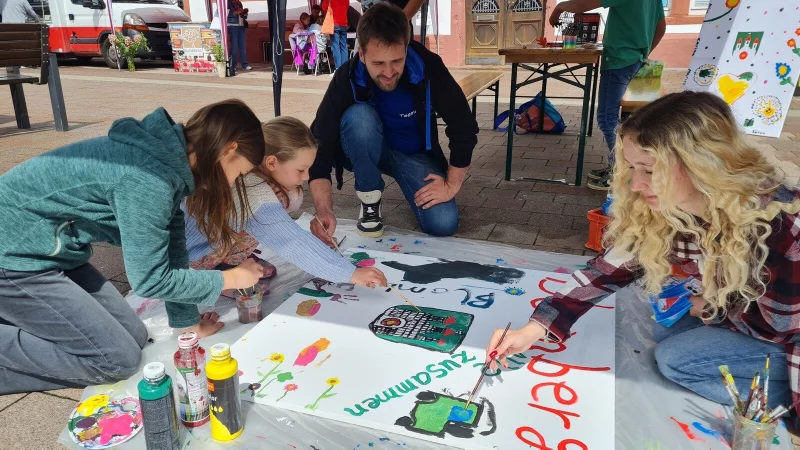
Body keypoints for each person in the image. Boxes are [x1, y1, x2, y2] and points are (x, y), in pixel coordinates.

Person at [486, 91, 800, 415]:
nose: (636, 184)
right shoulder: (678, 207)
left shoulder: (775, 226)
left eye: (649, 170)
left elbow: (778, 325)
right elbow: (605, 271)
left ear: (702, 165)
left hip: (787, 337)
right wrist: (536, 327)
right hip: (748, 313)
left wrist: (711, 307)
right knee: (666, 325)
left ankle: (784, 401)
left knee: (675, 361)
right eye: (633, 168)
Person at [0, 99, 267, 394]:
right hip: (14, 256)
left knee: (135, 337)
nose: (232, 184)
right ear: (229, 148)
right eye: (239, 173)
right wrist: (228, 278)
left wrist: (188, 324)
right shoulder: (148, 178)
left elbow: (172, 251)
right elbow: (150, 279)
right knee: (116, 362)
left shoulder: (169, 164)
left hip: (52, 250)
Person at [308, 3, 477, 242]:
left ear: (406, 49)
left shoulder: (428, 65)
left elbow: (463, 125)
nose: (388, 73)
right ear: (362, 54)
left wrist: (451, 184)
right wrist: (323, 210)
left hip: (412, 152)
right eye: (378, 64)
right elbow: (320, 143)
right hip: (365, 145)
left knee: (443, 223)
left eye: (397, 61)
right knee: (360, 119)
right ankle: (370, 200)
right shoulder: (347, 76)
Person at [184, 116, 388, 303]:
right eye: (301, 170)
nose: (308, 177)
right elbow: (291, 240)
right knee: (270, 217)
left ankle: (228, 261)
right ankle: (223, 272)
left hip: (203, 244)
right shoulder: (253, 191)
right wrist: (350, 273)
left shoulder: (257, 177)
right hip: (190, 260)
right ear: (271, 162)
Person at [549, 0, 665, 190]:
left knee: (606, 117)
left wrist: (559, 7)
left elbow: (584, 4)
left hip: (619, 59)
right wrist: (644, 52)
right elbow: (661, 27)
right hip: (634, 58)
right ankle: (618, 166)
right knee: (626, 120)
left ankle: (620, 171)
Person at [1, 0, 39, 74]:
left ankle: (10, 66)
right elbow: (30, 11)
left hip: (5, 29)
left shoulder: (2, 1)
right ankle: (25, 62)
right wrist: (36, 18)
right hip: (20, 29)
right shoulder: (22, 0)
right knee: (23, 44)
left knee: (9, 47)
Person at [321, 0, 350, 72]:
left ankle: (338, 69)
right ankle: (344, 69)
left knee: (335, 47)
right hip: (344, 24)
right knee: (344, 47)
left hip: (334, 24)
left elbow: (324, 7)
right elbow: (347, 7)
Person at [227, 0, 251, 72]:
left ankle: (244, 65)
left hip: (241, 25)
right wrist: (238, 12)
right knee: (234, 47)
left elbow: (242, 15)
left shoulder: (239, 2)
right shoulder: (228, 2)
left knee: (242, 47)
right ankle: (233, 65)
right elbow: (228, 14)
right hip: (233, 26)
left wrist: (245, 14)